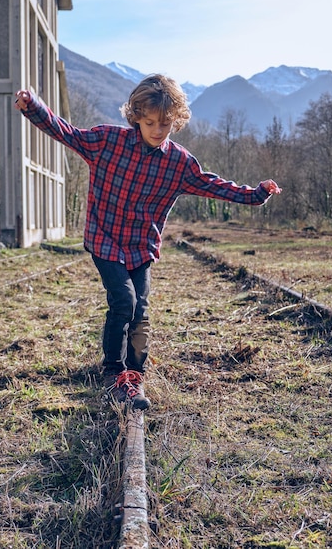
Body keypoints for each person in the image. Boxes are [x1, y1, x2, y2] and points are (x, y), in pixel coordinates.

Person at [15, 74, 281, 411]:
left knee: (141, 311)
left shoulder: (179, 163)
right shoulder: (106, 142)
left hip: (141, 246)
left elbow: (214, 185)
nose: (158, 130)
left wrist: (256, 195)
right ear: (136, 117)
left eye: (166, 124)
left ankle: (135, 374)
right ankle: (113, 370)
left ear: (176, 121)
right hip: (106, 240)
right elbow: (67, 133)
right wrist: (33, 107)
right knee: (123, 301)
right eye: (150, 122)